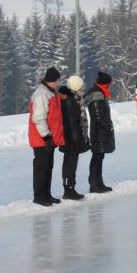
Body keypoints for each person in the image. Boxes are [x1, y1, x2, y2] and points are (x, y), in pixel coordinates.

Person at [30, 67, 65, 206]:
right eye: (58, 80)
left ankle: (46, 194)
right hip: (41, 139)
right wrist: (47, 137)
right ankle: (39, 196)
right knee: (41, 167)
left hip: (49, 138)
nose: (58, 83)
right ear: (53, 80)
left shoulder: (51, 92)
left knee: (48, 166)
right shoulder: (42, 94)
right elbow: (38, 118)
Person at [58, 75, 90, 200]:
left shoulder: (72, 98)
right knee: (70, 163)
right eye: (81, 87)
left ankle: (70, 187)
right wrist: (78, 139)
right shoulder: (70, 100)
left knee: (70, 162)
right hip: (71, 137)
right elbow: (73, 122)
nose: (82, 90)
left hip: (70, 136)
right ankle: (69, 189)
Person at [83, 71, 116, 193]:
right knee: (97, 156)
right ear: (106, 84)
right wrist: (107, 127)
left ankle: (99, 182)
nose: (110, 86)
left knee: (99, 156)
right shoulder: (97, 95)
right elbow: (98, 116)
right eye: (109, 84)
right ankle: (94, 184)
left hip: (100, 130)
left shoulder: (99, 93)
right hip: (99, 131)